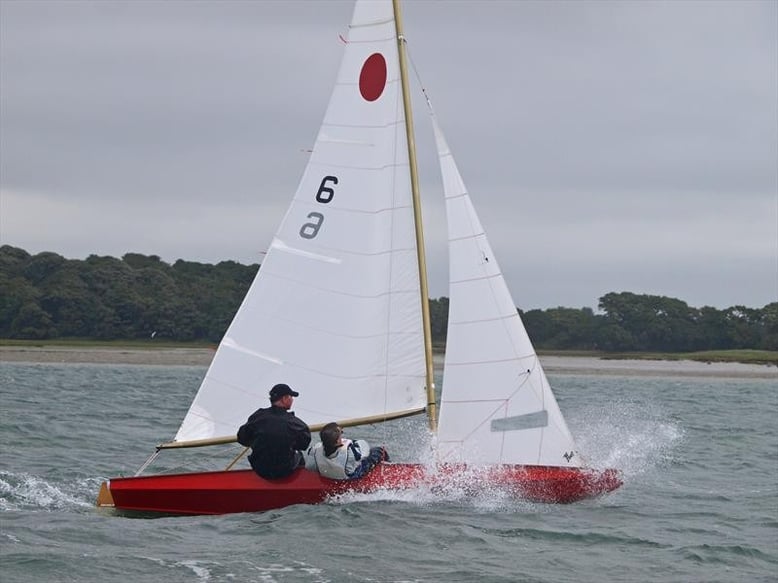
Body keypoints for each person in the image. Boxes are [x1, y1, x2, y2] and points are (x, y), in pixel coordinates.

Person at [237, 383, 311, 480]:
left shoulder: (258, 416)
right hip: (284, 471)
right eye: (291, 397)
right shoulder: (294, 423)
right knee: (299, 454)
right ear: (284, 399)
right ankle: (300, 482)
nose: (292, 400)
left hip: (260, 469)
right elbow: (304, 444)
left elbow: (242, 438)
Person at [305, 422, 389, 480]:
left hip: (328, 475)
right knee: (379, 451)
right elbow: (365, 450)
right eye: (341, 433)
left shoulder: (314, 450)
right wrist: (352, 443)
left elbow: (309, 466)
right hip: (350, 477)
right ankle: (389, 468)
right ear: (337, 441)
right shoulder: (348, 452)